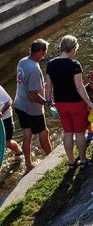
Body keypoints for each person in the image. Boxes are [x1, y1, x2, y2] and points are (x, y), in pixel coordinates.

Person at [46, 36, 93, 169]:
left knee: (67, 132)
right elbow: (79, 86)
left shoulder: (50, 64)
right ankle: (83, 160)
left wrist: (48, 101)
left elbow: (48, 86)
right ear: (73, 48)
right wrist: (89, 102)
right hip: (76, 103)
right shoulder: (74, 64)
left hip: (60, 104)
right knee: (79, 133)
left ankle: (71, 161)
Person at [14, 39, 52, 172]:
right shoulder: (35, 69)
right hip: (31, 108)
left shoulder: (22, 61)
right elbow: (33, 95)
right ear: (40, 51)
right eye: (45, 51)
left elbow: (25, 82)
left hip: (19, 103)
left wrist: (42, 85)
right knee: (43, 133)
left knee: (27, 133)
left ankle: (28, 165)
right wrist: (47, 102)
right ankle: (51, 158)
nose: (45, 54)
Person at [0, 84, 22, 159]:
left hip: (5, 118)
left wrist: (1, 112)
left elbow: (9, 101)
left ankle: (18, 151)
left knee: (7, 143)